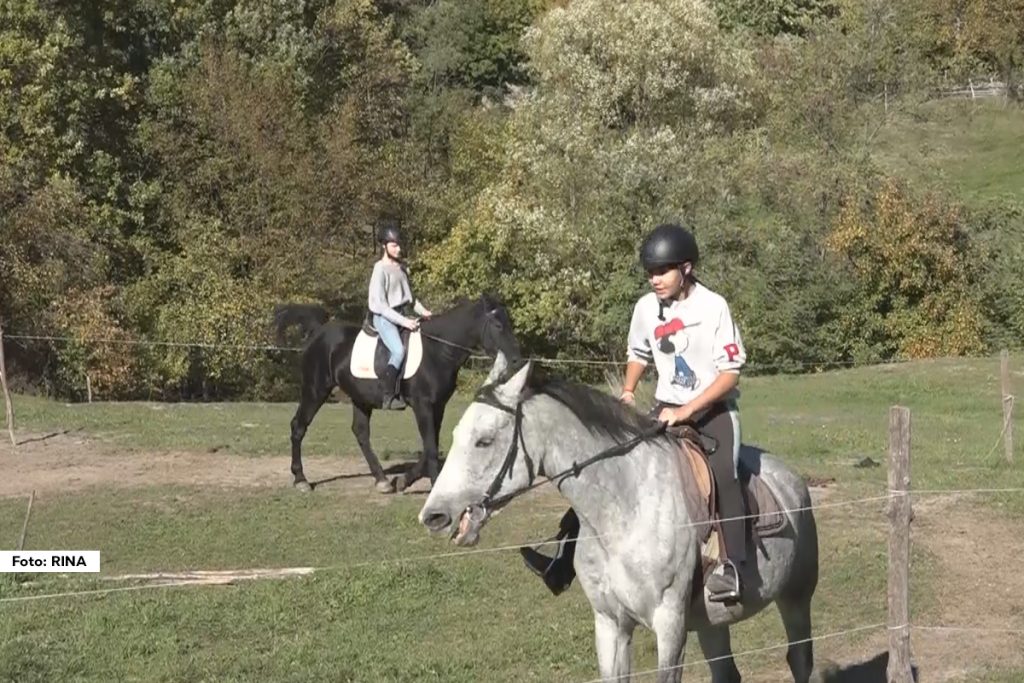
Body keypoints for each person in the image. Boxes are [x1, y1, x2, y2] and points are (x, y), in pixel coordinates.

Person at [519, 222, 748, 603]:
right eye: (650, 273)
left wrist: (687, 408)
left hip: (713, 413)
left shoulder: (713, 307)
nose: (654, 280)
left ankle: (733, 568)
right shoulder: (646, 308)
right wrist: (627, 391)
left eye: (662, 271)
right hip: (662, 411)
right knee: (606, 466)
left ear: (686, 268)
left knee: (725, 475)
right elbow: (638, 353)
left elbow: (730, 373)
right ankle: (561, 559)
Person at [367, 223, 432, 410]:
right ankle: (388, 396)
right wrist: (404, 321)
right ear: (384, 246)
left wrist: (424, 312)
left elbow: (410, 300)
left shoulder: (402, 269)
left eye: (399, 245)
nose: (398, 248)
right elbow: (379, 304)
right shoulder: (379, 269)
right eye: (394, 245)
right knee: (398, 351)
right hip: (385, 318)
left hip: (403, 315)